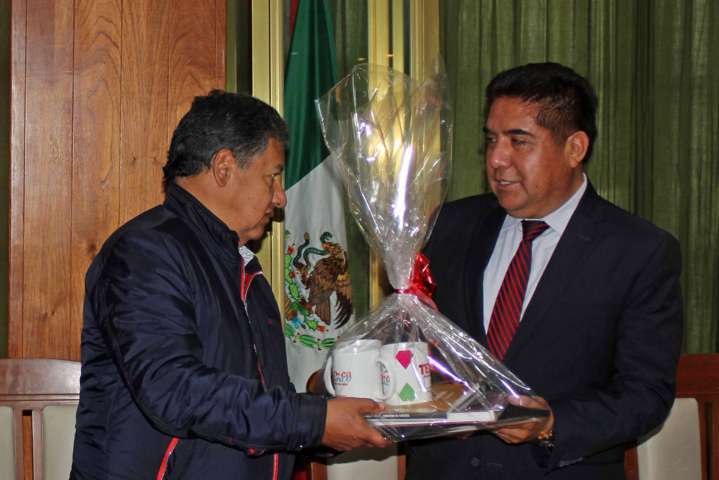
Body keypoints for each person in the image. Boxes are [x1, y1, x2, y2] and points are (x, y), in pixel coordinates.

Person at [71, 90, 389, 479]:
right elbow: (174, 390)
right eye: (273, 176)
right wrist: (316, 420)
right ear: (224, 167)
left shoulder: (242, 267)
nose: (280, 197)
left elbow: (258, 412)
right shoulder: (144, 252)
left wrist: (336, 416)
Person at [405, 63, 683, 479]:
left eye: (519, 142)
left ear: (575, 148)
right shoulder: (447, 226)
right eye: (492, 140)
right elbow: (413, 345)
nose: (496, 159)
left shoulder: (639, 251)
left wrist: (551, 424)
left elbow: (645, 396)